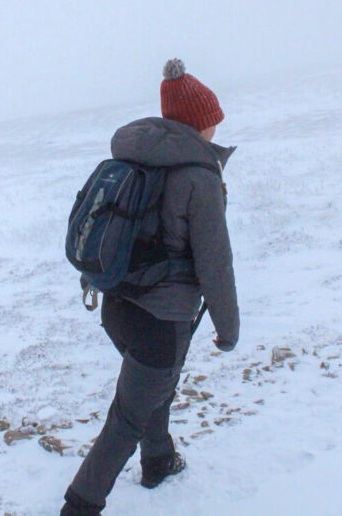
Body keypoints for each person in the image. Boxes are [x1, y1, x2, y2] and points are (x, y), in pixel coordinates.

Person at [61, 59, 240, 515]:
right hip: (162, 320)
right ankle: (80, 507)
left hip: (118, 306)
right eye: (212, 118)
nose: (217, 126)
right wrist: (228, 327)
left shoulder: (135, 158)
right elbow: (215, 263)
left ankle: (158, 459)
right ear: (198, 124)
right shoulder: (198, 176)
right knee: (126, 418)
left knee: (156, 386)